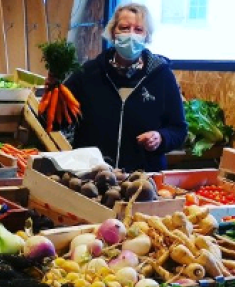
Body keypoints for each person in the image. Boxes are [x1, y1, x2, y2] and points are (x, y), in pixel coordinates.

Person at [64, 2, 187, 172]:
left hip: (143, 180)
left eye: (138, 30)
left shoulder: (162, 76)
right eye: (124, 28)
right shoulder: (88, 73)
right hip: (90, 176)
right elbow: (57, 120)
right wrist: (52, 91)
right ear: (113, 32)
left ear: (147, 36)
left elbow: (179, 130)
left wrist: (161, 137)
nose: (131, 35)